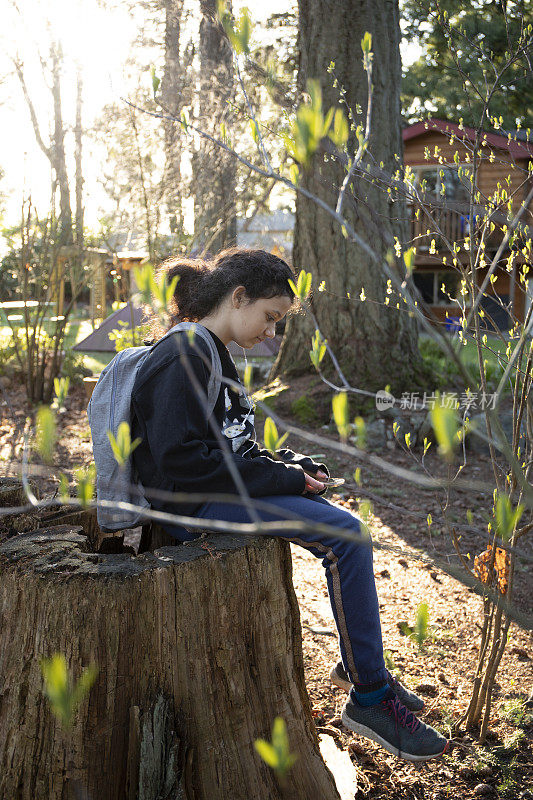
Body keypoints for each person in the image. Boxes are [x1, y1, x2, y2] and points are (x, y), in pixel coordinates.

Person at [130, 247, 448, 762]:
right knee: (346, 538)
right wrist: (281, 478)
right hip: (189, 507)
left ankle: (362, 667)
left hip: (212, 492)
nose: (272, 334)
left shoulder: (211, 351)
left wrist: (292, 465)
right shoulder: (185, 352)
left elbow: (228, 447)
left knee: (346, 530)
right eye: (270, 318)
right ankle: (369, 695)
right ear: (238, 297)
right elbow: (179, 459)